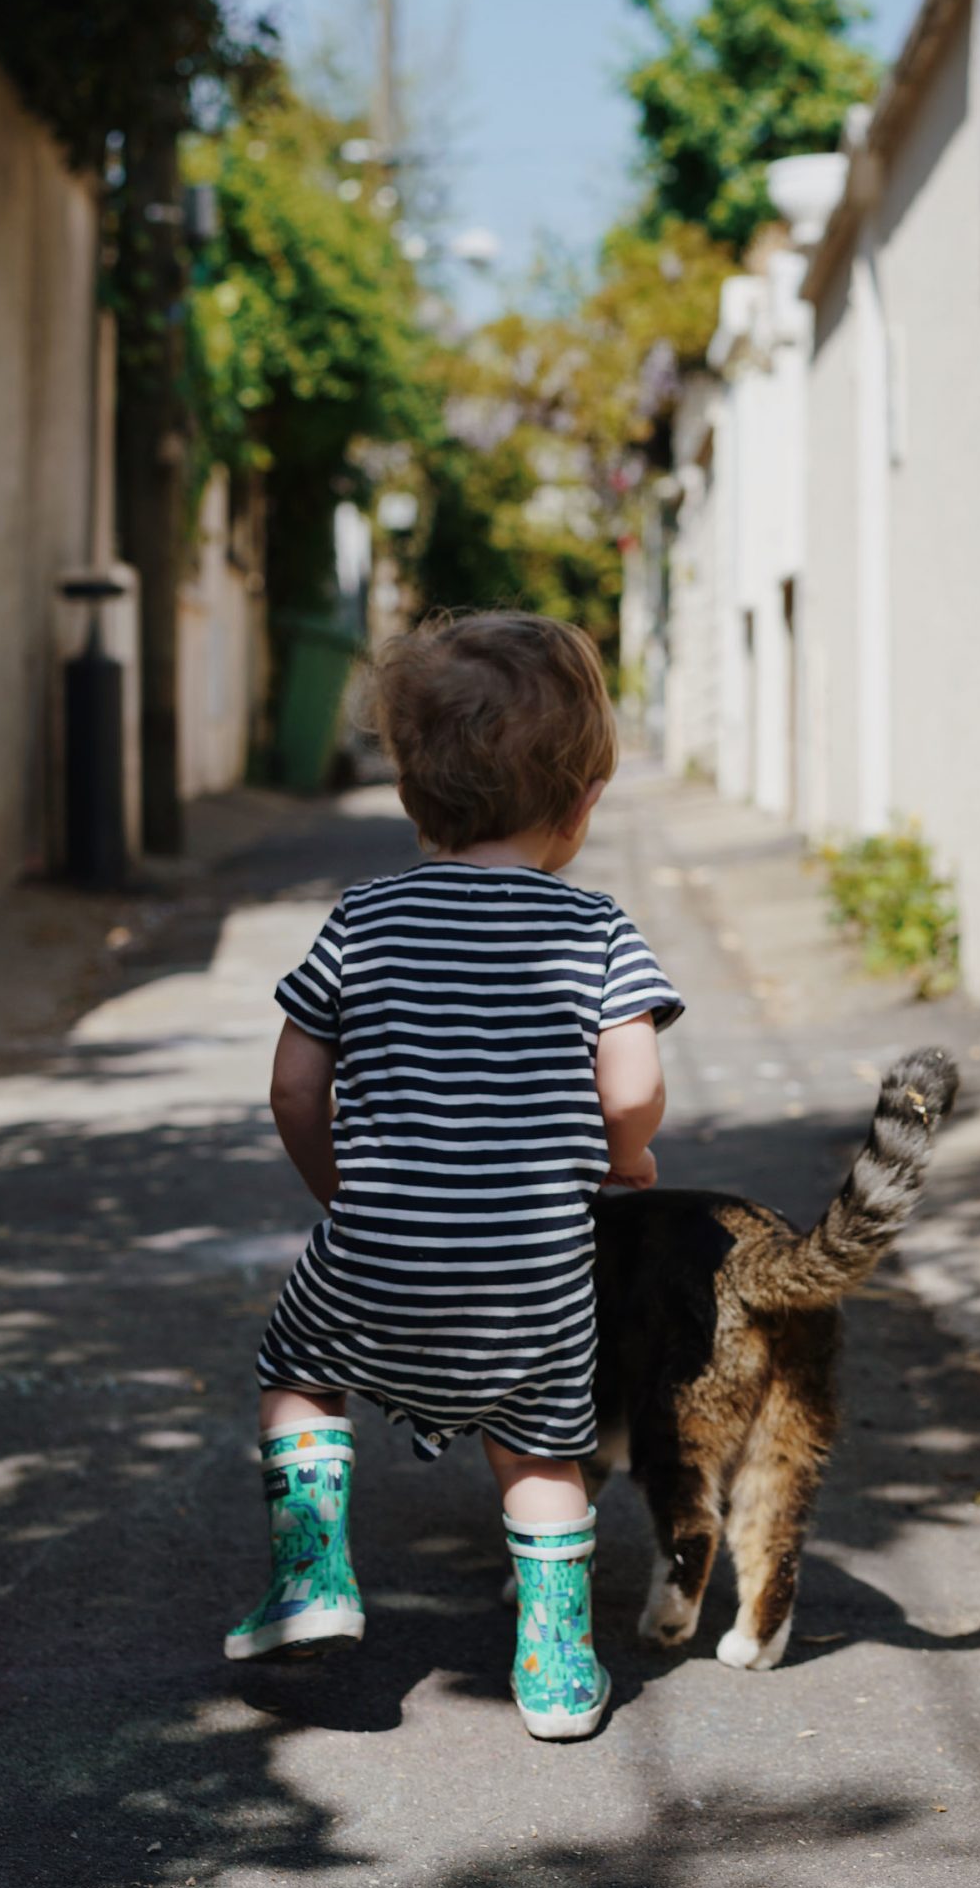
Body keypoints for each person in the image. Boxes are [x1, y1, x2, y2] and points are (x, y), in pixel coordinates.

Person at [225, 610, 683, 1739]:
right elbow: (630, 1088)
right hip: (531, 1268)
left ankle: (314, 1572)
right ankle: (557, 1665)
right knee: (539, 1448)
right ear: (580, 804)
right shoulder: (597, 930)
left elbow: (293, 1086)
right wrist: (627, 1160)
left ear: (410, 792)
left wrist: (347, 1194)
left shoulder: (363, 919)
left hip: (376, 1250)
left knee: (297, 1368)